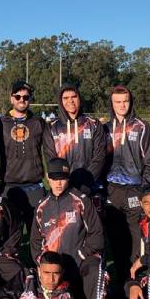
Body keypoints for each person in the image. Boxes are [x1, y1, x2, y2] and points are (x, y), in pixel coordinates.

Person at [31, 157, 110, 299]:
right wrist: (44, 265)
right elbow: (34, 243)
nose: (58, 183)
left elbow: (98, 236)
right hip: (54, 270)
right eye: (54, 178)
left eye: (63, 178)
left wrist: (81, 255)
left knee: (95, 268)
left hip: (78, 262)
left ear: (68, 178)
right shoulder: (41, 206)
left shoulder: (81, 201)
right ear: (47, 178)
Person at [104, 85, 150, 294]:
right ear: (112, 104)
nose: (122, 106)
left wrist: (144, 191)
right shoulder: (105, 129)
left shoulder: (142, 127)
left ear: (131, 102)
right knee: (116, 239)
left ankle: (139, 280)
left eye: (125, 101)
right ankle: (122, 283)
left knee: (137, 239)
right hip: (112, 191)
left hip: (135, 190)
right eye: (117, 102)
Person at [44, 84, 106, 212]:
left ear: (79, 99)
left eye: (74, 97)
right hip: (64, 189)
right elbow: (52, 160)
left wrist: (85, 184)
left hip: (90, 188)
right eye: (65, 98)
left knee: (94, 229)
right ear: (60, 101)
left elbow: (100, 156)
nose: (70, 101)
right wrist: (64, 184)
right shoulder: (51, 128)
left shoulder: (93, 124)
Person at [0, 80, 47, 234]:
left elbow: (51, 151)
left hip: (35, 187)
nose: (21, 100)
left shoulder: (39, 122)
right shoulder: (0, 123)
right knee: (10, 235)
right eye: (17, 96)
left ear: (30, 99)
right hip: (9, 187)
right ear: (11, 98)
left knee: (38, 236)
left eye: (26, 97)